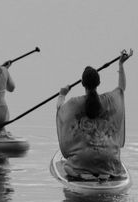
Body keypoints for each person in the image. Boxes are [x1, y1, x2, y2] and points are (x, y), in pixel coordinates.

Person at [56, 49, 133, 178]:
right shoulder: (109, 100)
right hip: (109, 158)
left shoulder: (75, 103)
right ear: (99, 83)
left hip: (84, 159)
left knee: (67, 167)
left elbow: (60, 110)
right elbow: (121, 89)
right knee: (109, 161)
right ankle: (105, 174)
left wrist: (62, 94)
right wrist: (121, 64)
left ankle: (83, 175)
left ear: (82, 84)